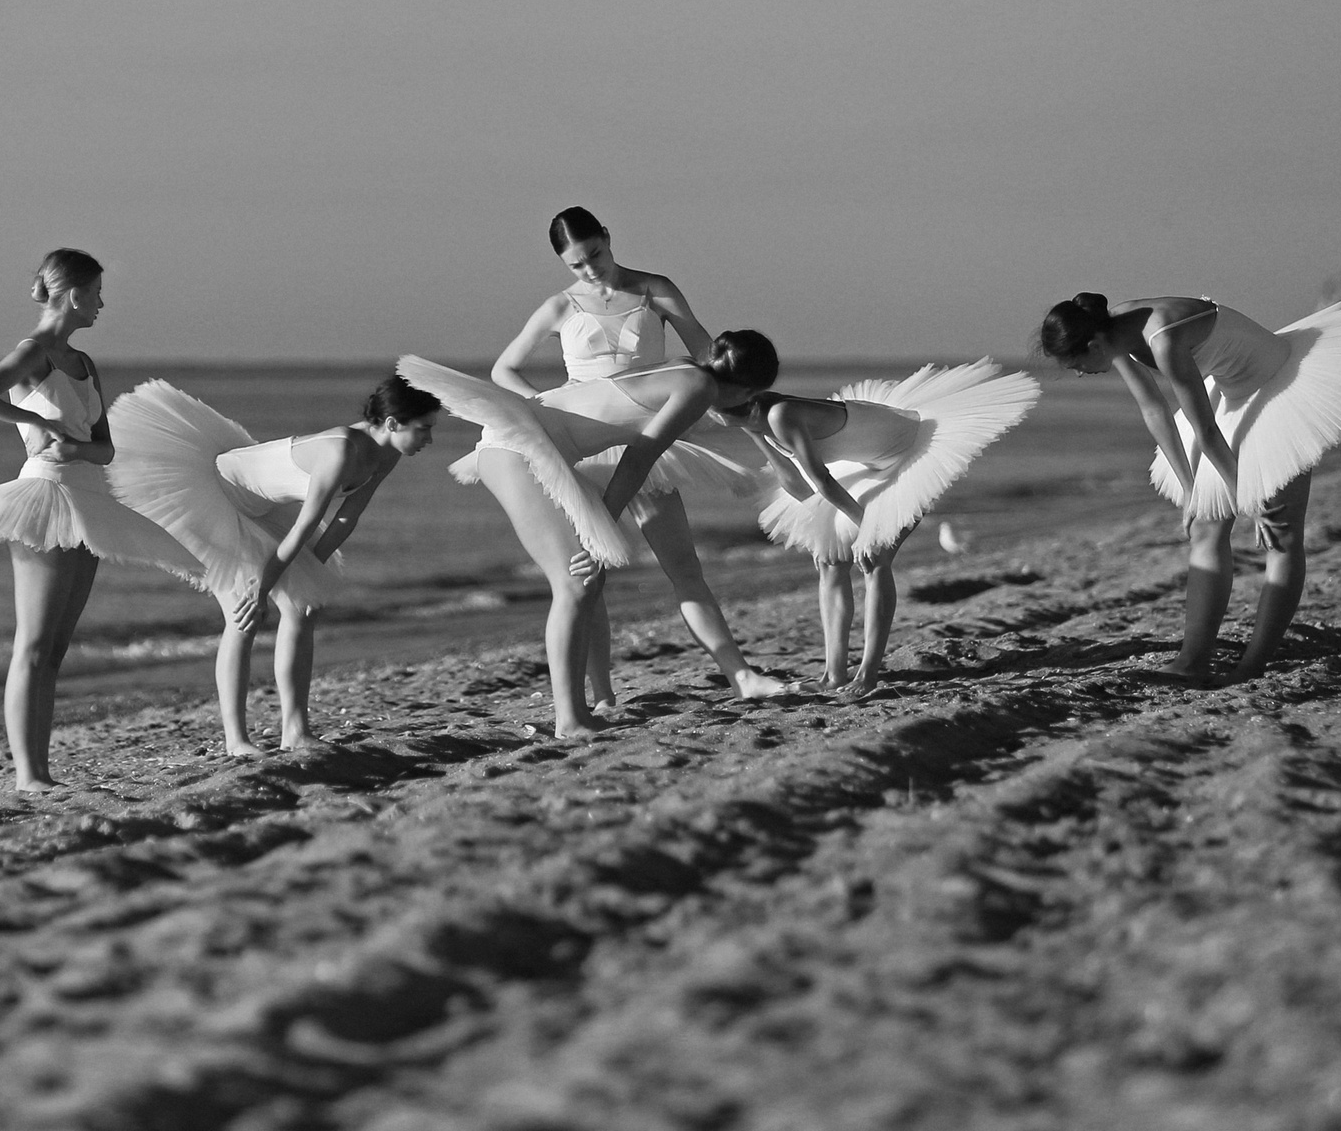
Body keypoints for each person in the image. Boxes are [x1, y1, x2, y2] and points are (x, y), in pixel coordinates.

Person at [0, 249, 195, 793]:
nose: (103, 303)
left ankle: (41, 771)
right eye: (98, 293)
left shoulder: (84, 363)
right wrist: (34, 418)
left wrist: (80, 449)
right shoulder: (32, 353)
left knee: (56, 648)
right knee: (33, 644)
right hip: (44, 497)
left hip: (88, 499)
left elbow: (104, 450)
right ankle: (28, 776)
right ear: (73, 293)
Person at [401, 331, 794, 739]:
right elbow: (639, 458)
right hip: (519, 450)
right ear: (747, 386)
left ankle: (580, 711)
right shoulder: (699, 387)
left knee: (585, 583)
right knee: (574, 583)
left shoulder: (683, 369)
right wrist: (598, 530)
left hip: (525, 443)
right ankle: (570, 719)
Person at [481, 206, 775, 708]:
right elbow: (503, 369)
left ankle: (740, 675)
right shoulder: (558, 307)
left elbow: (707, 354)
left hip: (648, 429)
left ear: (607, 238)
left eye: (594, 255)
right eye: (576, 265)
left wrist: (746, 407)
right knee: (587, 575)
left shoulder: (654, 289)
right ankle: (602, 696)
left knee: (683, 565)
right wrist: (544, 406)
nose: (590, 270)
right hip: (583, 438)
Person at [1039, 292, 1341, 683]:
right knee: (1204, 524)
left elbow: (1206, 432)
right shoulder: (1110, 331)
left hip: (1277, 384)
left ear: (1094, 345)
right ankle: (1192, 661)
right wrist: (1189, 489)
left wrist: (1251, 500)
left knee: (1279, 530)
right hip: (1228, 390)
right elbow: (1154, 409)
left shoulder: (1161, 338)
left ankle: (1252, 666)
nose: (1080, 373)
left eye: (1077, 364)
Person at [107, 375, 442, 757]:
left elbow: (348, 516)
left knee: (303, 607)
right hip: (217, 494)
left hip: (265, 509)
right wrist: (263, 587)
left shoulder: (389, 452)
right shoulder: (342, 451)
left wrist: (308, 572)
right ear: (393, 423)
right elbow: (304, 525)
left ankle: (296, 732)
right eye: (424, 429)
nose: (429, 440)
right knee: (243, 614)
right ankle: (236, 742)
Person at [736, 362, 1041, 698]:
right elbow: (795, 482)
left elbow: (821, 480)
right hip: (862, 460)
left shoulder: (780, 414)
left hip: (904, 449)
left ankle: (867, 674)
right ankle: (833, 675)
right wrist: (824, 525)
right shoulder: (750, 419)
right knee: (828, 560)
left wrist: (868, 529)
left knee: (873, 559)